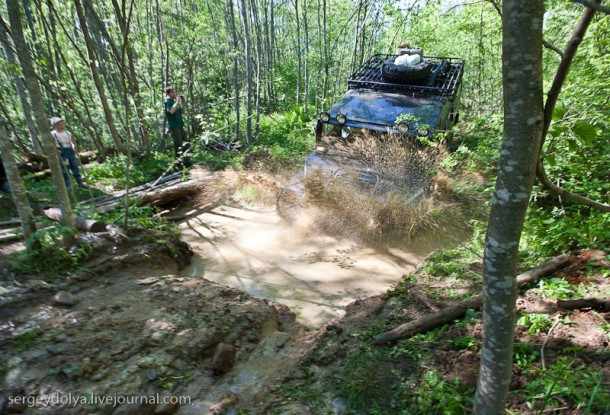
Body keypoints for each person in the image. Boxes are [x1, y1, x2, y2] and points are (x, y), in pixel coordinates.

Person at [50, 117, 86, 189]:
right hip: (61, 152)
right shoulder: (53, 134)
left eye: (61, 123)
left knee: (75, 167)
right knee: (65, 170)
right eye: (58, 124)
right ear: (54, 125)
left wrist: (73, 146)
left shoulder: (68, 133)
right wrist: (57, 151)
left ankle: (80, 184)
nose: (61, 125)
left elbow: (73, 141)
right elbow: (52, 144)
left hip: (70, 151)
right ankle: (68, 185)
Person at [164, 87, 190, 166]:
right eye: (172, 93)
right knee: (178, 144)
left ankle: (187, 162)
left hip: (180, 125)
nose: (174, 94)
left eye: (174, 92)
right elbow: (171, 111)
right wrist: (177, 101)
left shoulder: (175, 102)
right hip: (174, 126)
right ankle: (179, 164)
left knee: (186, 144)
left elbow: (182, 112)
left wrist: (183, 103)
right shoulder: (168, 102)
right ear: (168, 94)